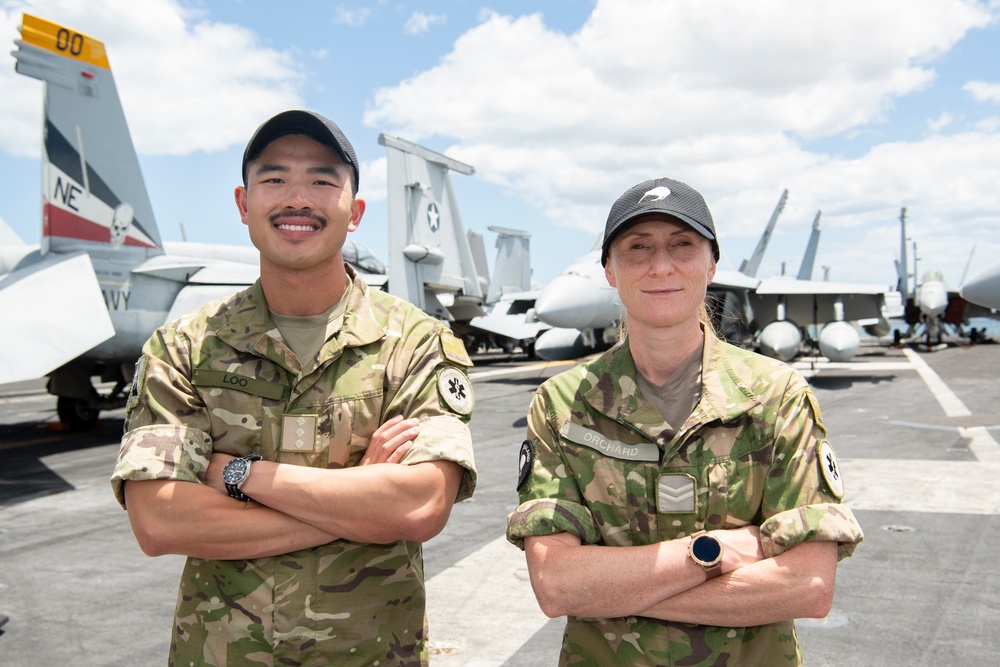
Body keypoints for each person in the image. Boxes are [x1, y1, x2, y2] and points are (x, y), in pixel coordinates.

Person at [111, 109, 477, 666]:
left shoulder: (415, 342)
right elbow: (160, 520)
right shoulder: (184, 346)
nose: (297, 198)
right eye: (275, 178)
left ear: (354, 213)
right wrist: (357, 498)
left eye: (322, 181)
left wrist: (236, 475)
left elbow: (419, 504)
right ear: (243, 204)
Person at [506, 177, 863, 666]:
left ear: (711, 264)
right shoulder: (562, 404)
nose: (661, 266)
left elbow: (808, 587)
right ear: (609, 270)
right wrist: (714, 552)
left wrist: (614, 592)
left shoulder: (776, 396)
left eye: (682, 245)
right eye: (638, 248)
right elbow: (557, 586)